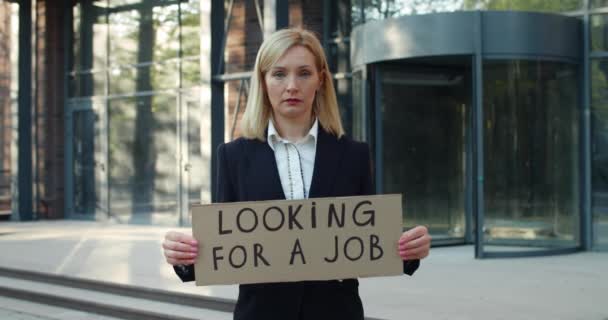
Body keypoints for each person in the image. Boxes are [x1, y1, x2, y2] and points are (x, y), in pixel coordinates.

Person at [162, 28, 430, 320]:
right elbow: (226, 245)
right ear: (263, 82)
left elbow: (367, 238)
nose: (292, 86)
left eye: (304, 73)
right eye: (279, 74)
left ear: (320, 80)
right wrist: (184, 257)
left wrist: (409, 249)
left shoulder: (353, 155)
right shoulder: (233, 157)